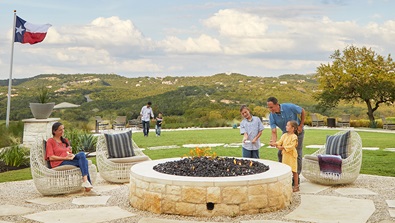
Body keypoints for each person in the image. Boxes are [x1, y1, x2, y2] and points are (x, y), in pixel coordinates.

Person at [45, 122, 96, 194]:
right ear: (54, 131)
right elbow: (51, 157)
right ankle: (87, 186)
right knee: (84, 162)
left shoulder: (65, 140)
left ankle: (86, 182)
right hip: (58, 162)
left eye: (63, 129)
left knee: (81, 154)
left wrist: (71, 155)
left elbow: (68, 153)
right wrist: (66, 158)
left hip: (68, 159)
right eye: (60, 130)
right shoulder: (50, 141)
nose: (62, 131)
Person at [267, 96, 305, 176]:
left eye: (271, 107)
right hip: (286, 134)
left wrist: (301, 125)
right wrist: (273, 142)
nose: (270, 109)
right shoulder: (272, 116)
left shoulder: (289, 107)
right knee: (280, 153)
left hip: (297, 133)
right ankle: (283, 173)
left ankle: (296, 176)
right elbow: (274, 131)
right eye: (269, 108)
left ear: (277, 104)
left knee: (296, 153)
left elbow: (302, 111)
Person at [270, 120, 299, 192]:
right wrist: (274, 144)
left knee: (294, 171)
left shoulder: (294, 137)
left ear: (293, 128)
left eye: (288, 125)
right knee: (286, 170)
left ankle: (296, 186)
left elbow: (292, 146)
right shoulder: (284, 135)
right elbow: (279, 142)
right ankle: (287, 185)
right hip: (285, 155)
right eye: (286, 125)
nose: (286, 126)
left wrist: (282, 147)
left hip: (292, 156)